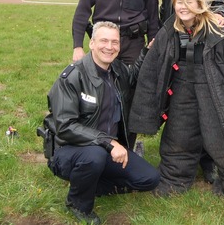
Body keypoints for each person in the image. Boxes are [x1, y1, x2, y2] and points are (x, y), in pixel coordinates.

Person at [129, 0, 224, 210]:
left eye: (189, 2)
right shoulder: (168, 33)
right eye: (179, 2)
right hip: (181, 94)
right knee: (178, 138)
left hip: (214, 96)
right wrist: (143, 116)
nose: (183, 7)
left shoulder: (222, 37)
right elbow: (150, 74)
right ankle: (174, 181)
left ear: (199, 5)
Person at [45, 21, 160, 224]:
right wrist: (108, 141)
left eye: (114, 42)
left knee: (149, 178)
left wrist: (145, 51)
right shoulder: (72, 76)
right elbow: (65, 126)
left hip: (106, 149)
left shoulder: (118, 70)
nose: (109, 46)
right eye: (104, 40)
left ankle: (91, 183)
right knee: (94, 155)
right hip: (70, 150)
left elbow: (132, 78)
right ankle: (78, 203)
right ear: (92, 43)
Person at [159, 0, 224, 182]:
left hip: (202, 52)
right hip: (176, 54)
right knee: (181, 106)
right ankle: (180, 155)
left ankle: (209, 160)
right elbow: (165, 16)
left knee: (207, 105)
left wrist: (218, 17)